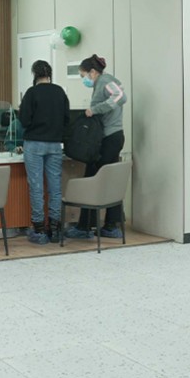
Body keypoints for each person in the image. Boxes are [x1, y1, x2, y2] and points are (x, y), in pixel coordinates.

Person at [66, 54, 127, 239]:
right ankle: (110, 225)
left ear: (92, 72)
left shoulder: (105, 81)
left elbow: (121, 96)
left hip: (108, 139)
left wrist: (95, 109)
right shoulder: (102, 82)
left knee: (92, 179)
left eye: (83, 75)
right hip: (113, 137)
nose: (84, 79)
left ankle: (85, 227)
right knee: (109, 180)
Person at [18, 60, 70, 244]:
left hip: (34, 144)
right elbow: (66, 119)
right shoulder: (60, 92)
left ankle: (39, 229)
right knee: (55, 188)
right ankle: (55, 229)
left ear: (34, 74)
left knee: (37, 187)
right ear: (49, 74)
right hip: (55, 145)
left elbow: (24, 120)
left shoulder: (32, 93)